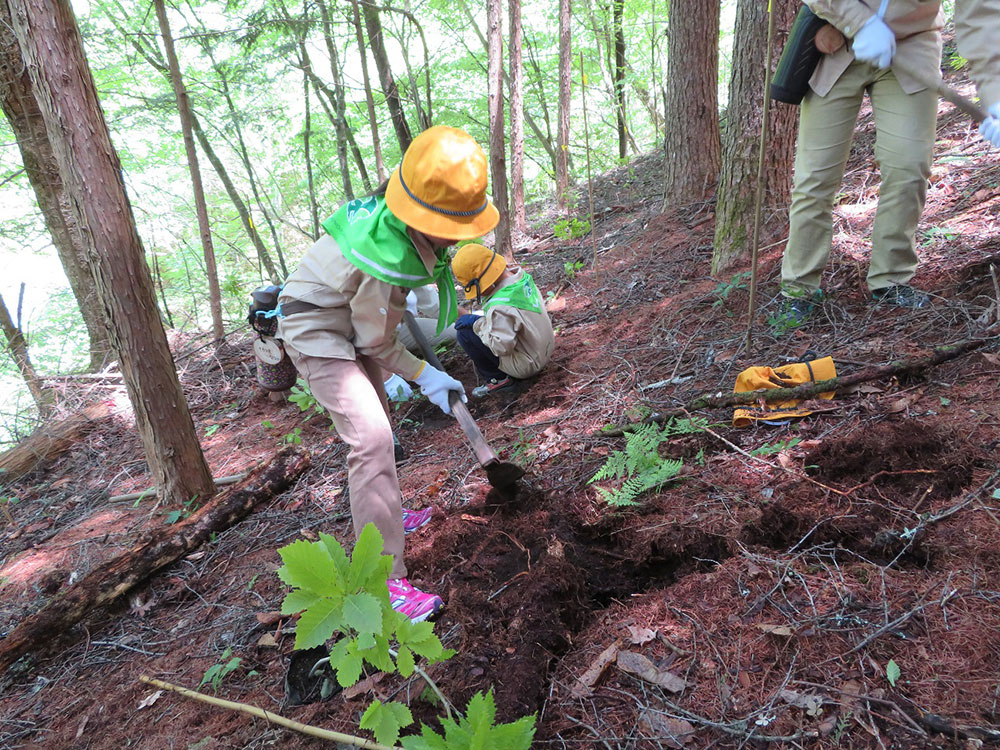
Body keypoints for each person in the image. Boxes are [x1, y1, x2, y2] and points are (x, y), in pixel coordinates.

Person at [276, 125, 499, 622]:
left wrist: (420, 369)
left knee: (383, 428)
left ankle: (387, 518)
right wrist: (426, 375)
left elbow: (376, 326)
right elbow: (377, 339)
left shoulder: (400, 230)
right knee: (371, 439)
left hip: (349, 323)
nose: (462, 236)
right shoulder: (384, 252)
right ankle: (384, 585)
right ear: (427, 215)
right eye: (456, 226)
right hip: (314, 328)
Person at [778, 0, 1000, 326]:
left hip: (913, 44)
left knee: (908, 168)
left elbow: (982, 17)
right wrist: (860, 22)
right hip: (836, 38)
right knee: (815, 177)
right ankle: (798, 289)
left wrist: (995, 97)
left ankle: (891, 280)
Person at [450, 243, 554, 397]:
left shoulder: (499, 306)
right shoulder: (520, 277)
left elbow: (501, 347)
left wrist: (477, 324)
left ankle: (498, 380)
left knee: (465, 333)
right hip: (544, 348)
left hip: (528, 365)